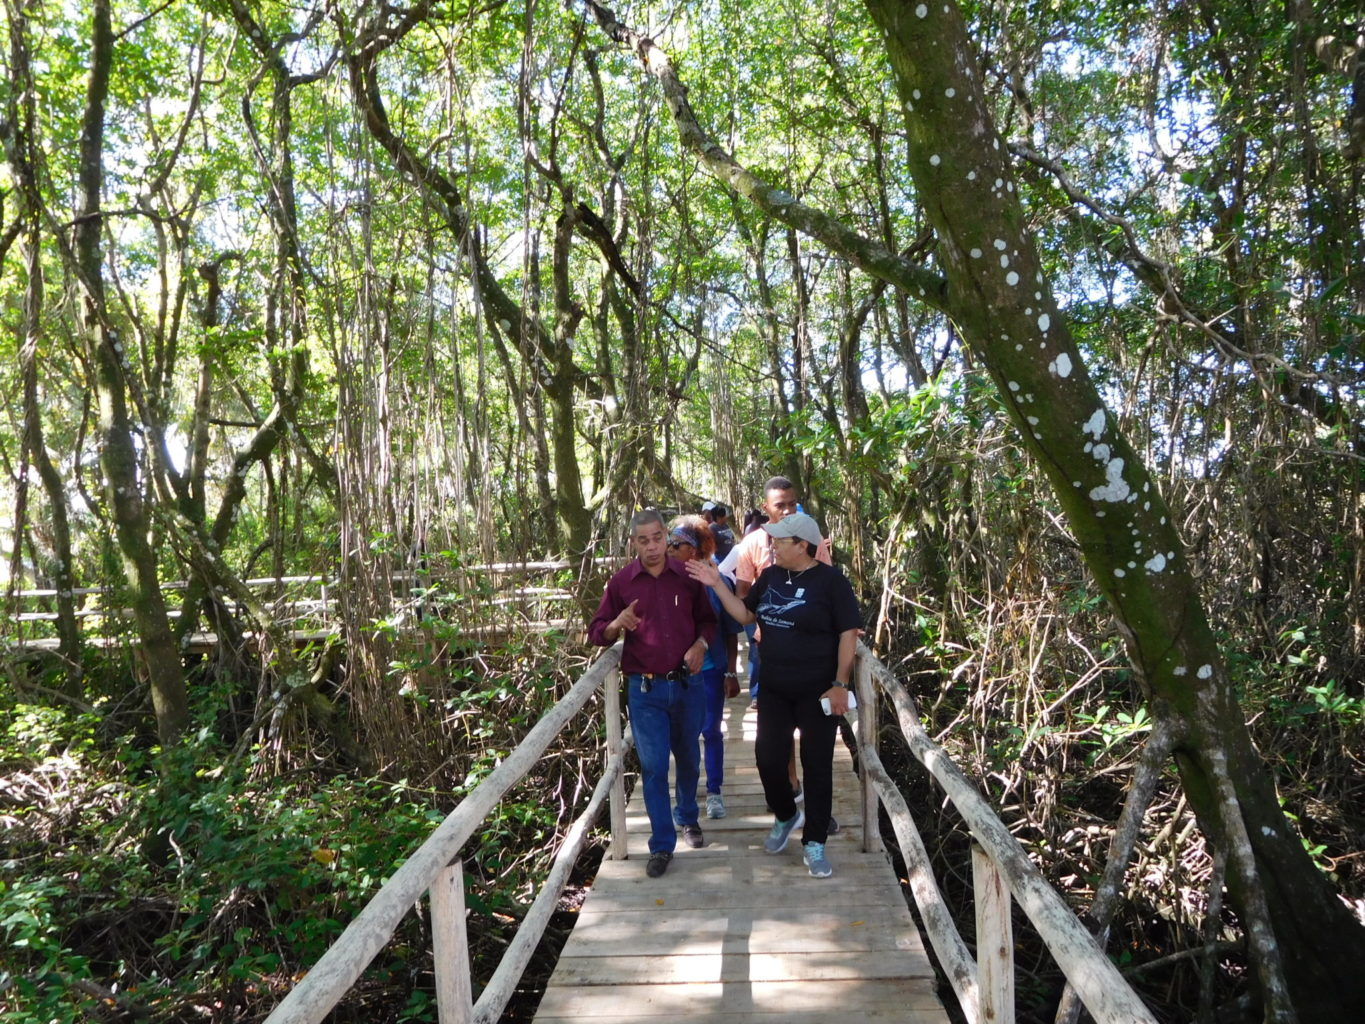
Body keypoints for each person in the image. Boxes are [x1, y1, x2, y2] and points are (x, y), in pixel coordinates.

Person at [686, 512, 862, 878]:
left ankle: (814, 844)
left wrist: (841, 683)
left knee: (817, 767)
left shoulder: (831, 582)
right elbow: (746, 616)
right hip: (775, 689)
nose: (773, 546)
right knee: (768, 759)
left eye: (781, 541)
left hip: (818, 691)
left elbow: (848, 634)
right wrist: (717, 583)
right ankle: (785, 814)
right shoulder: (770, 576)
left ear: (802, 545)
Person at [588, 510, 717, 878]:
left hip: (687, 685)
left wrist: (700, 645)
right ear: (633, 543)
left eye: (657, 538)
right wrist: (616, 624)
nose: (652, 546)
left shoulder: (687, 578)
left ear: (667, 537)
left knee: (689, 756)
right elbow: (596, 632)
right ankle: (662, 845)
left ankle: (688, 817)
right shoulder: (622, 583)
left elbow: (709, 621)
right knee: (655, 766)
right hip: (645, 690)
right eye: (643, 540)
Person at [667, 516, 742, 818]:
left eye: (677, 545)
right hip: (675, 673)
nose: (670, 549)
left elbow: (730, 629)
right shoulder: (665, 579)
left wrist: (731, 672)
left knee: (711, 730)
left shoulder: (717, 582)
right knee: (683, 735)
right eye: (669, 543)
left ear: (695, 550)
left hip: (710, 669)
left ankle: (714, 791)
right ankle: (686, 797)